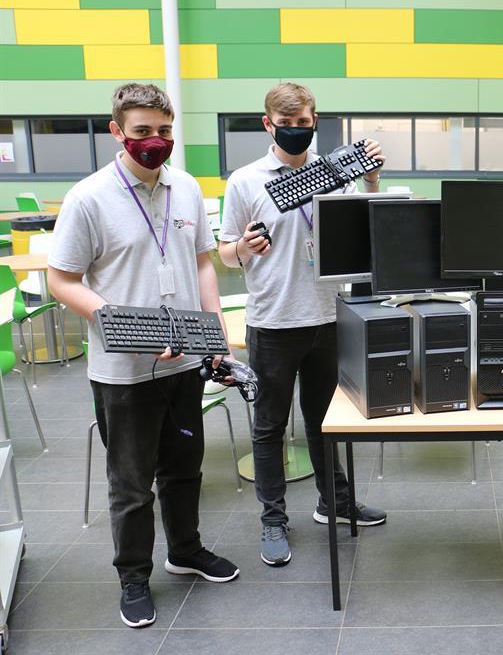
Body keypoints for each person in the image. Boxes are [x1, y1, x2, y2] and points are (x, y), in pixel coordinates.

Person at [47, 83, 240, 628]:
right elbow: (62, 279)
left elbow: (204, 262)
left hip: (183, 361)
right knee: (131, 484)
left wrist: (214, 334)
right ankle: (134, 575)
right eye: (141, 132)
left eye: (163, 131)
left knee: (184, 468)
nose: (155, 141)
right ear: (117, 132)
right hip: (123, 372)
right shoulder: (89, 197)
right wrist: (129, 329)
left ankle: (185, 550)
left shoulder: (186, 189)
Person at [218, 82, 387, 568]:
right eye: (286, 124)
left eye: (304, 122)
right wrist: (243, 249)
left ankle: (333, 501)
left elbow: (367, 223)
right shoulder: (246, 181)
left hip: (328, 316)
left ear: (316, 121)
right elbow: (226, 253)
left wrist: (371, 178)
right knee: (270, 426)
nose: (297, 131)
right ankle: (273, 519)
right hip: (273, 320)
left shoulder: (334, 171)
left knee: (324, 420)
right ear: (268, 124)